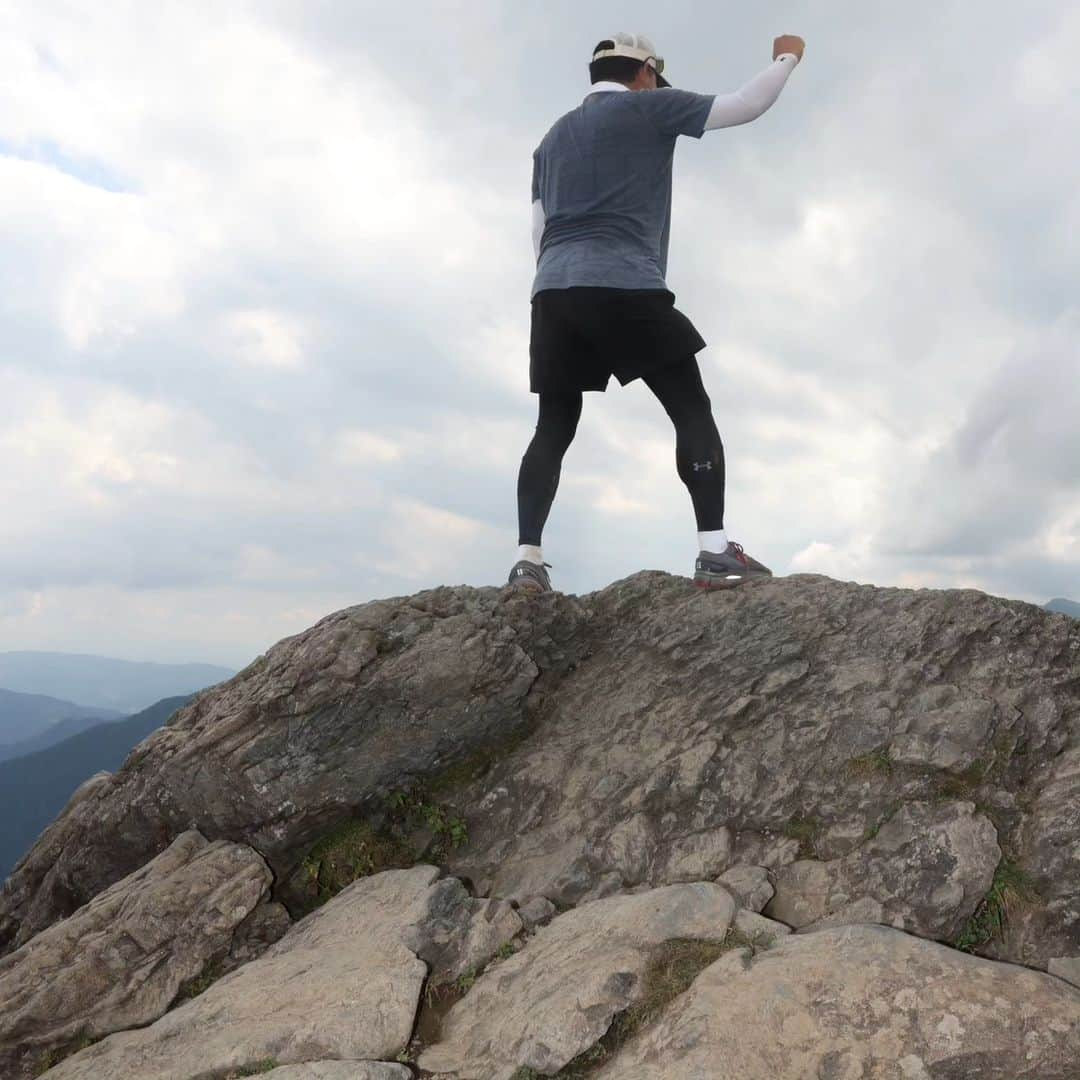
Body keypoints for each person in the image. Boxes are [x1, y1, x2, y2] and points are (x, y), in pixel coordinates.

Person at [507, 31, 805, 594]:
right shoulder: (650, 107)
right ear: (643, 73)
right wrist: (788, 56)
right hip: (624, 281)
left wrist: (561, 287)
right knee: (690, 407)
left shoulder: (550, 140)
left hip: (552, 289)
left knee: (553, 425)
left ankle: (527, 560)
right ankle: (715, 552)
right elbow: (747, 105)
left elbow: (538, 231)